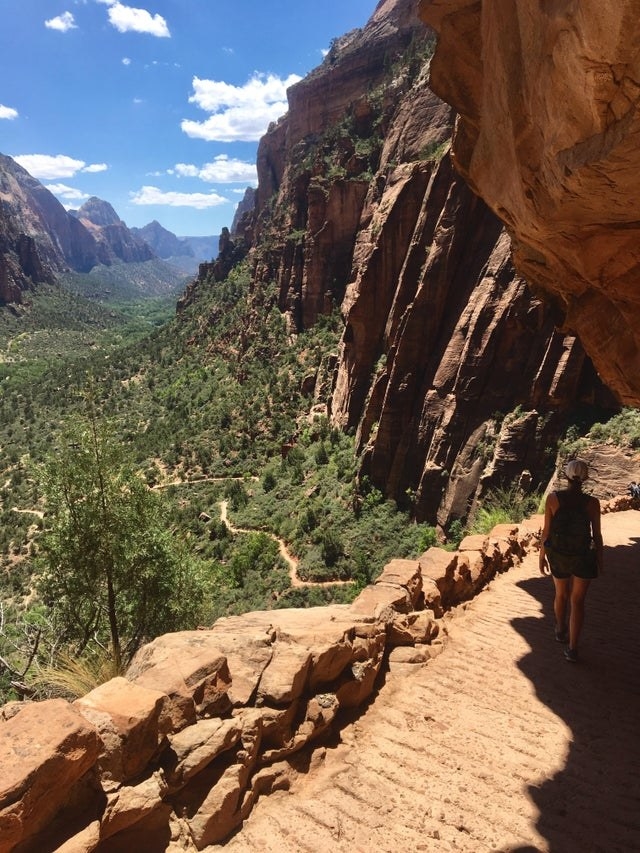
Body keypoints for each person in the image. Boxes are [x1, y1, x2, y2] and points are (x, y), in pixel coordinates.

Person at [538, 459, 603, 662]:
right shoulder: (592, 503)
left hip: (558, 555)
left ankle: (560, 629)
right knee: (578, 601)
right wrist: (600, 560)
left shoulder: (552, 499)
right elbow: (597, 535)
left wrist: (542, 555)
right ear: (585, 478)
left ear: (566, 476)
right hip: (583, 557)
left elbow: (546, 532)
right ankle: (573, 649)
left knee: (561, 595)